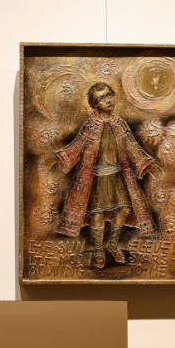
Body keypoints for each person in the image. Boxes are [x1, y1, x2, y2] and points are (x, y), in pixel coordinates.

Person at [51, 82, 157, 268]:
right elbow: (77, 146)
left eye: (109, 95)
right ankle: (98, 249)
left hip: (117, 176)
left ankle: (113, 244)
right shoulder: (90, 125)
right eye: (102, 98)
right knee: (96, 213)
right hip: (96, 177)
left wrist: (147, 164)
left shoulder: (119, 123)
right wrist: (58, 159)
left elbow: (132, 146)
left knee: (124, 209)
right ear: (94, 103)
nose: (108, 100)